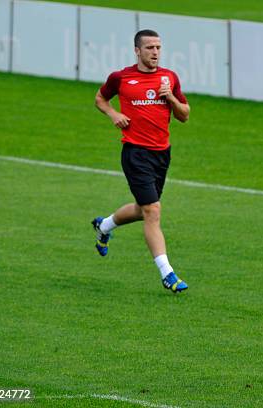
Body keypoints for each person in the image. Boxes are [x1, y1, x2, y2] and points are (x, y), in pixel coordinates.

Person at [91, 29, 190, 293]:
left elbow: (185, 115)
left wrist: (169, 97)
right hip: (135, 153)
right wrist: (113, 114)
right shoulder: (121, 78)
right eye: (149, 48)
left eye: (158, 47)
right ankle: (167, 273)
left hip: (162, 153)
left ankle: (104, 226)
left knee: (142, 209)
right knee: (152, 211)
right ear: (137, 51)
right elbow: (100, 99)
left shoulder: (169, 78)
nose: (155, 52)